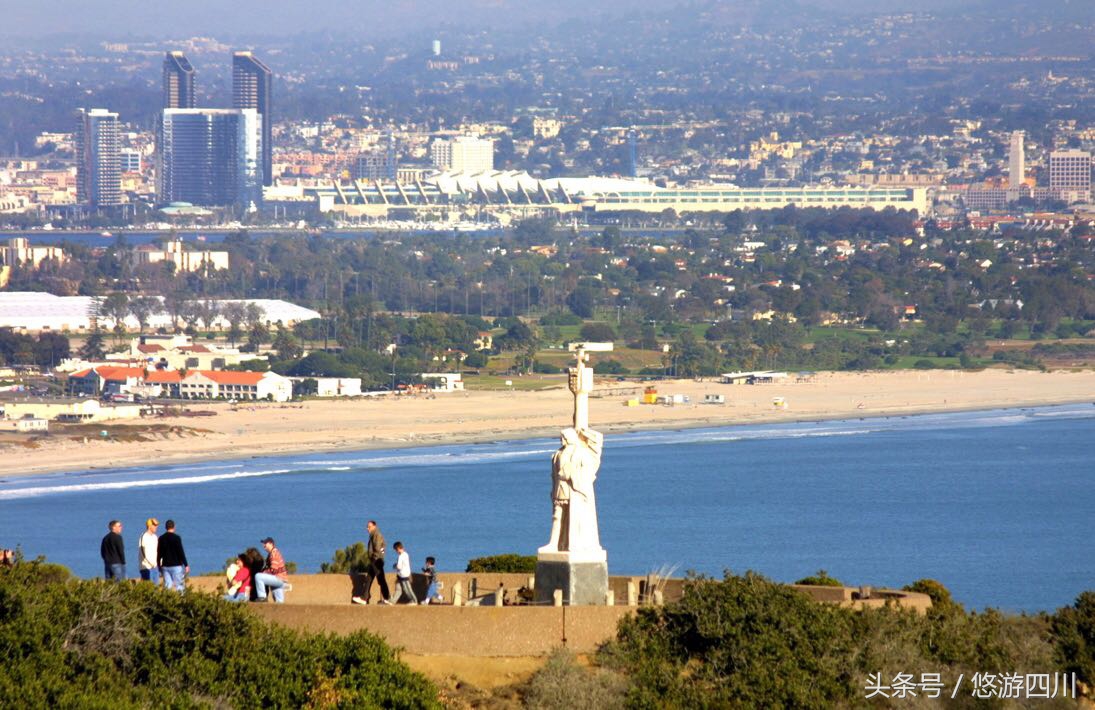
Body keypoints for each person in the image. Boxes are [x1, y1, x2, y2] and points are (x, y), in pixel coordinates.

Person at [353, 520, 390, 605]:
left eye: (369, 527)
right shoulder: (374, 535)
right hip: (375, 560)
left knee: (381, 580)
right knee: (369, 579)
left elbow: (379, 547)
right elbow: (383, 547)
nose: (367, 528)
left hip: (376, 561)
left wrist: (376, 556)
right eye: (367, 527)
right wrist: (380, 554)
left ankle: (387, 598)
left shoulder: (376, 535)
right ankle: (364, 598)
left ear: (374, 526)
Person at [157, 519, 189, 592]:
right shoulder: (177, 538)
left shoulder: (161, 538)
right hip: (176, 565)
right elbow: (181, 552)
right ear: (174, 527)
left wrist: (159, 565)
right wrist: (186, 564)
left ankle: (167, 601)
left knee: (167, 586)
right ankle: (181, 601)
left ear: (166, 527)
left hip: (165, 566)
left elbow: (159, 553)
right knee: (179, 586)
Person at [254, 537, 288, 603]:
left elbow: (273, 569)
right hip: (281, 579)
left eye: (265, 543)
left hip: (278, 578)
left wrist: (264, 573)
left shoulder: (273, 553)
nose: (264, 545)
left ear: (271, 544)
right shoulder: (274, 552)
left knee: (258, 576)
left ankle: (262, 597)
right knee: (279, 603)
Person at [138, 518, 159, 583]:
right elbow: (142, 551)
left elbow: (157, 551)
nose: (156, 527)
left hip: (155, 566)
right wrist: (150, 563)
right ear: (149, 526)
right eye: (154, 525)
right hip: (146, 567)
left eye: (156, 525)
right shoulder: (143, 536)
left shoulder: (155, 537)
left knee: (155, 587)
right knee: (148, 586)